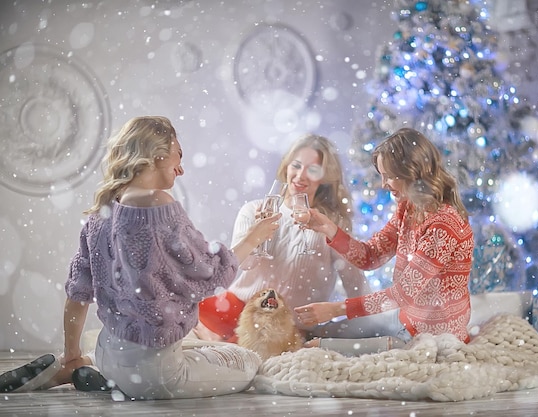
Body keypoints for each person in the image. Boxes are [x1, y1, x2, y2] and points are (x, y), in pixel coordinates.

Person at [0, 116, 281, 399]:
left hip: (108, 350)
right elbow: (212, 275)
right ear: (156, 155)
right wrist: (255, 237)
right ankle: (112, 379)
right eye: (177, 156)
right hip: (155, 375)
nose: (181, 169)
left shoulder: (101, 213)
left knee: (207, 348)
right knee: (247, 360)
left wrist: (70, 352)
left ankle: (78, 366)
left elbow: (78, 295)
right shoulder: (159, 205)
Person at [294, 127, 474, 355]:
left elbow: (403, 294)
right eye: (382, 175)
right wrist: (329, 229)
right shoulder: (408, 208)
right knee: (316, 333)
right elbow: (370, 256)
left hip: (436, 338)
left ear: (413, 172)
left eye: (389, 176)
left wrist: (336, 309)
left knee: (316, 349)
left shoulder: (444, 224)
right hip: (404, 322)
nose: (383, 184)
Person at [195, 134, 371, 342]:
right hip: (239, 309)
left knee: (238, 356)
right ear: (286, 167)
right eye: (296, 166)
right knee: (184, 309)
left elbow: (357, 288)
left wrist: (339, 312)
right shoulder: (253, 210)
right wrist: (256, 234)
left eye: (312, 170)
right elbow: (244, 264)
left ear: (324, 178)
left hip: (286, 325)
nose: (300, 175)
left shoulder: (332, 226)